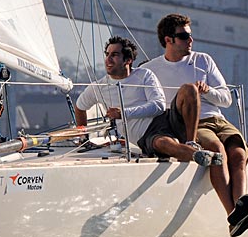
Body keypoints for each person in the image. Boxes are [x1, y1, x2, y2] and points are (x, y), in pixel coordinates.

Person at [143, 13, 248, 237]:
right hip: (191, 123)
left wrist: (209, 91)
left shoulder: (203, 60)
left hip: (218, 119)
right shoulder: (152, 69)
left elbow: (226, 99)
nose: (190, 41)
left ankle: (241, 209)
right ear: (168, 40)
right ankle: (232, 216)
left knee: (237, 152)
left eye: (190, 36)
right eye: (184, 36)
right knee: (216, 150)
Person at [74, 36, 218, 167]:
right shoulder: (98, 87)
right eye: (107, 54)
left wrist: (123, 113)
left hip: (165, 119)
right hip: (146, 134)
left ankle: (190, 142)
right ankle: (199, 155)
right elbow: (80, 107)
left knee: (189, 89)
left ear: (128, 60)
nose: (108, 59)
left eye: (115, 55)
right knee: (164, 143)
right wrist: (83, 136)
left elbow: (159, 105)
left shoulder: (144, 74)